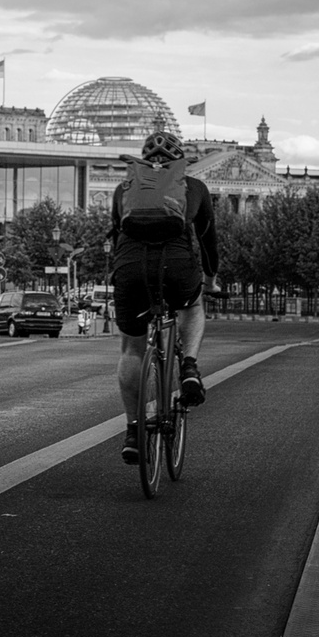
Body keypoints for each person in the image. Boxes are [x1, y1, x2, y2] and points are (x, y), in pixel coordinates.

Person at [110, 130, 219, 465]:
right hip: (177, 264)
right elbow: (207, 240)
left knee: (131, 347)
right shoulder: (194, 187)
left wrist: (119, 275)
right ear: (179, 160)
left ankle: (132, 431)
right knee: (193, 305)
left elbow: (116, 236)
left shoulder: (123, 188)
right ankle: (188, 367)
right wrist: (210, 278)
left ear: (144, 159)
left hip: (131, 267)